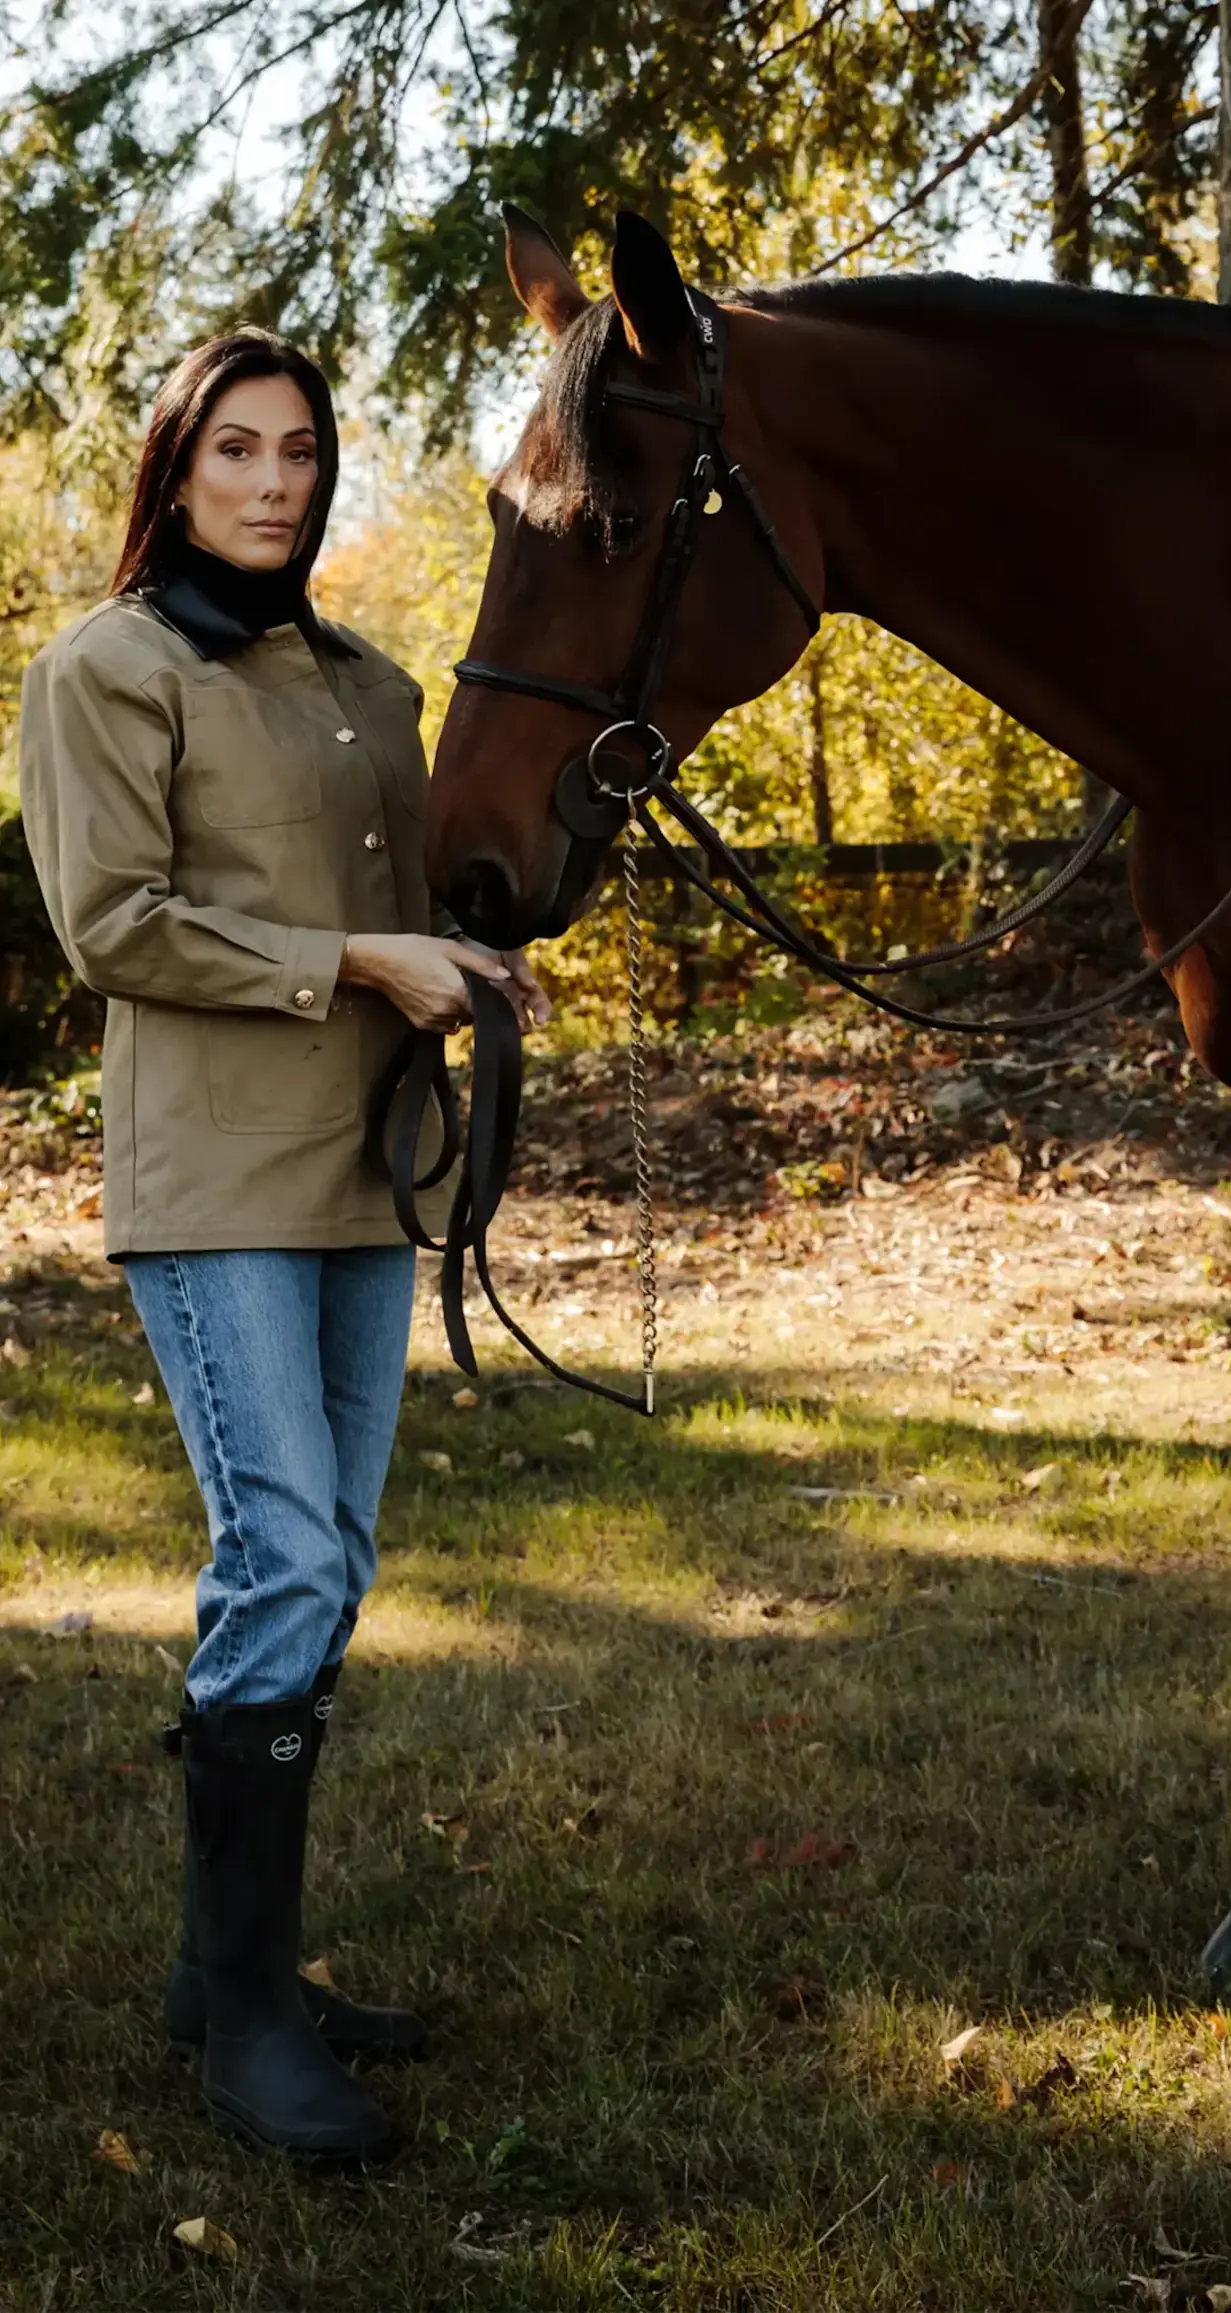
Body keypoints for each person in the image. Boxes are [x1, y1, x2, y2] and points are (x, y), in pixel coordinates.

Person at [18, 329, 551, 2162]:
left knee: (336, 1560)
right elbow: (111, 925)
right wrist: (353, 963)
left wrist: (459, 967)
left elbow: (391, 913)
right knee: (288, 1554)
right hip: (217, 1181)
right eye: (234, 449)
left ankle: (237, 1968)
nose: (270, 481)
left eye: (300, 452)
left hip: (362, 1176)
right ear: (176, 470)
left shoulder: (373, 686)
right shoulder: (108, 666)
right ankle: (241, 2013)